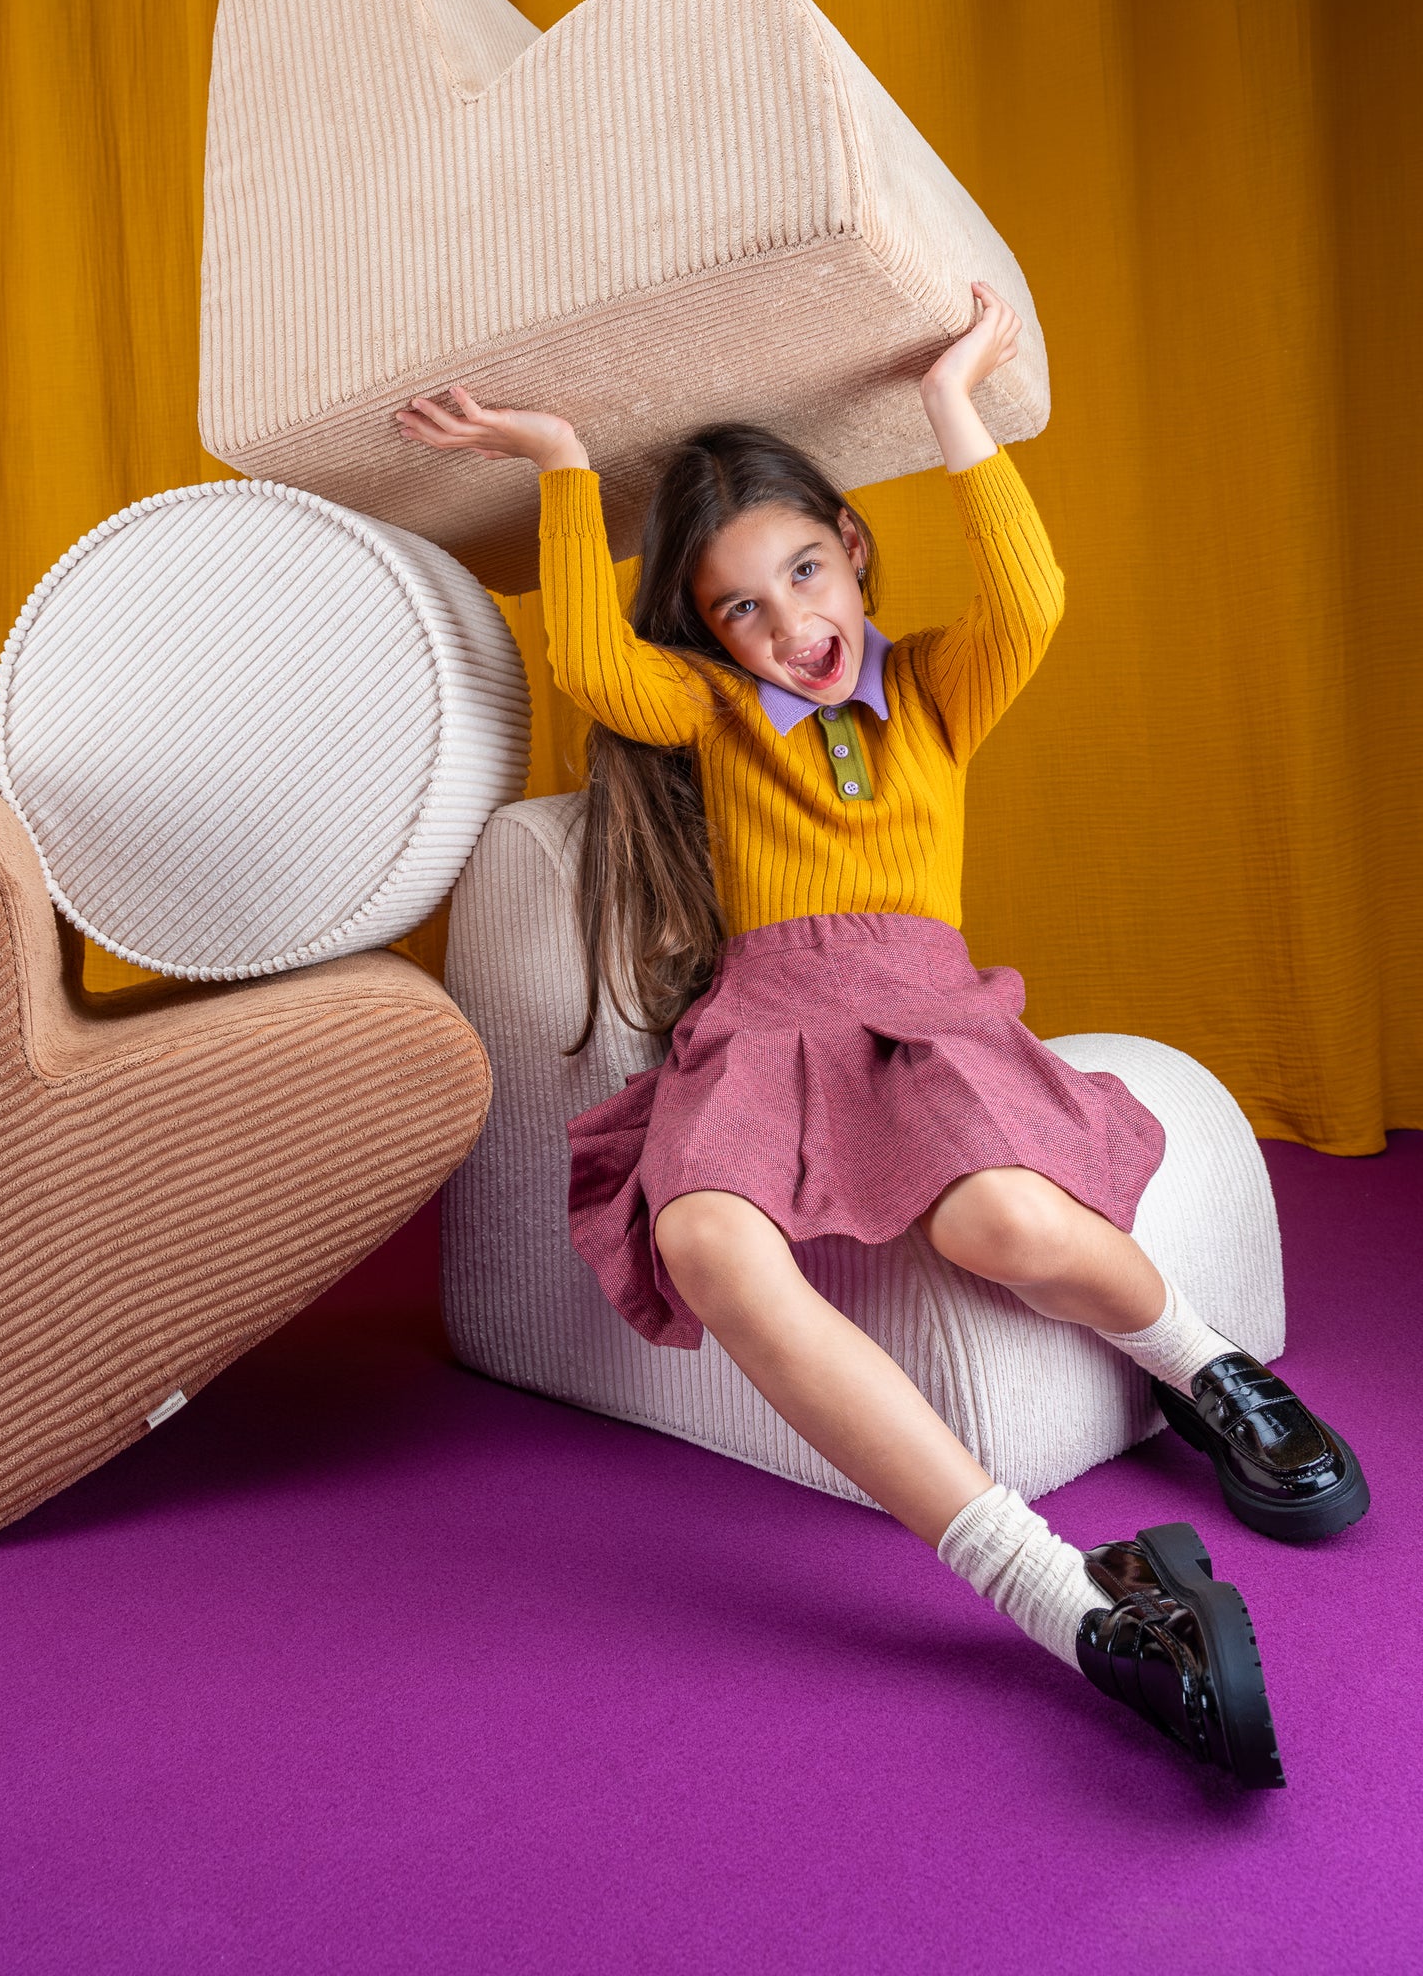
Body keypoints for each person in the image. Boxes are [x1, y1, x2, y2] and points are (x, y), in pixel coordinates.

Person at [397, 283, 1367, 1791]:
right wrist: (562, 462)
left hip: (924, 1023)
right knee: (707, 1243)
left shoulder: (931, 691)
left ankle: (1207, 1370)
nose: (791, 626)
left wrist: (955, 402)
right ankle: (1066, 1601)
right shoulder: (712, 716)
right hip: (766, 1030)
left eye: (803, 571)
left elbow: (1031, 600)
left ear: (852, 548)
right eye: (741, 606)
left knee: (1003, 1226)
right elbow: (590, 663)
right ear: (708, 631)